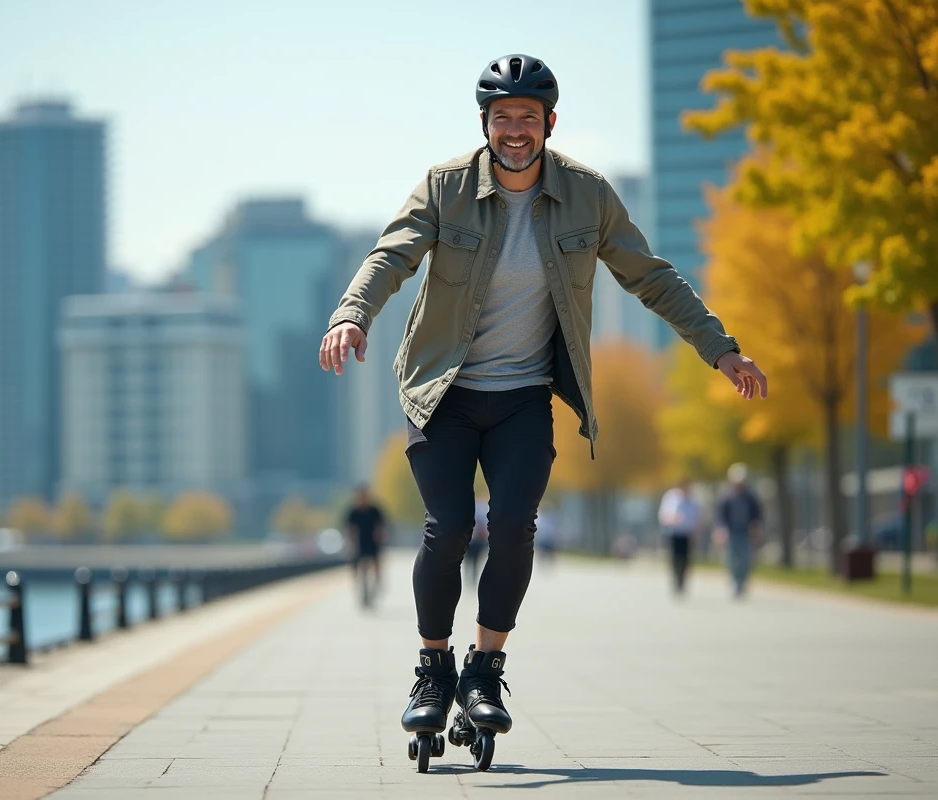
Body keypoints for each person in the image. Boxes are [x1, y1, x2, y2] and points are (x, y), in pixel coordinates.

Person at [319, 53, 768, 772]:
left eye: (529, 117)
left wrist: (721, 349)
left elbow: (651, 278)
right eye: (504, 118)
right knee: (449, 526)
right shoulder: (444, 188)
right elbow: (390, 256)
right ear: (485, 125)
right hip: (442, 391)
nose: (516, 130)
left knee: (516, 526)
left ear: (549, 123)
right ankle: (434, 668)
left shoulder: (588, 198)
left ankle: (485, 668)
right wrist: (353, 314)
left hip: (525, 394)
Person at [716, 463, 763, 598]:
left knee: (746, 560)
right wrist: (721, 531)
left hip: (746, 533)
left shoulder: (750, 498)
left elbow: (756, 515)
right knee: (732, 559)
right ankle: (735, 582)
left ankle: (742, 582)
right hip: (731, 533)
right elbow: (722, 517)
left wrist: (756, 528)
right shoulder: (727, 498)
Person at [344, 485, 386, 608]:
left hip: (373, 543)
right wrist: (350, 543)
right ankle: (363, 593)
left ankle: (375, 590)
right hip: (359, 544)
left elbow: (381, 526)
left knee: (376, 568)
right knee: (361, 569)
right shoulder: (353, 512)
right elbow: (349, 529)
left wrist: (380, 536)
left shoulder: (375, 510)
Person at [657, 478, 702, 595]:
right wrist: (672, 519)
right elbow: (663, 514)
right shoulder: (671, 497)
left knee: (686, 559)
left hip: (687, 533)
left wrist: (696, 531)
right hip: (674, 533)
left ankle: (683, 580)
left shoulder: (693, 500)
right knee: (675, 558)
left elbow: (697, 517)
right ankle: (676, 579)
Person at [466, 495, 490, 587]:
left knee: (474, 561)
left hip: (476, 541)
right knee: (471, 560)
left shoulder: (481, 511)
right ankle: (471, 577)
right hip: (471, 540)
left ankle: (472, 578)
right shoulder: (479, 511)